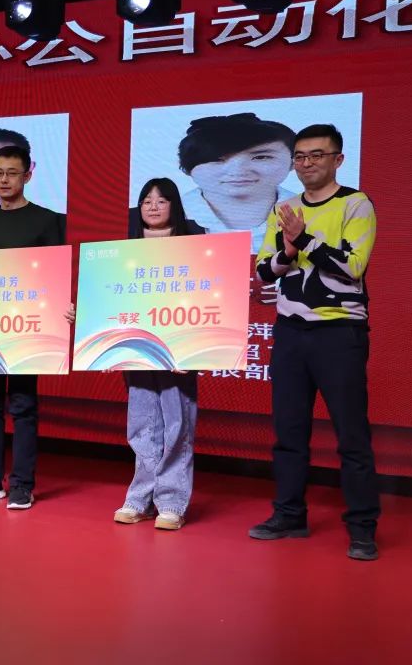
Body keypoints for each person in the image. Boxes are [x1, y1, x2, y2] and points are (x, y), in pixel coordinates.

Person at [249, 124, 381, 561]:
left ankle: (362, 528)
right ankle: (289, 515)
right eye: (300, 157)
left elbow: (353, 266)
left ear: (337, 159)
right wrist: (288, 250)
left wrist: (302, 239)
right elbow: (264, 271)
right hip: (290, 332)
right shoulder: (283, 208)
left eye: (316, 155)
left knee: (351, 436)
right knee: (288, 432)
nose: (307, 164)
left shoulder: (355, 204)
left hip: (339, 332)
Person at [69, 178, 205, 530]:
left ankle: (171, 502)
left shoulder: (196, 244)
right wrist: (89, 322)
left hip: (179, 353)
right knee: (142, 425)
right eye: (146, 200)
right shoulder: (124, 250)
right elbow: (109, 300)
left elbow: (208, 299)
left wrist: (192, 350)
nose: (153, 206)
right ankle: (140, 498)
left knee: (177, 425)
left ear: (175, 205)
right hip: (136, 351)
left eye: (162, 200)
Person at [0, 145, 65, 510]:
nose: (4, 180)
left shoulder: (47, 221)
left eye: (12, 173)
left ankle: (21, 484)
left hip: (28, 329)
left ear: (28, 175)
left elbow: (55, 275)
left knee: (22, 405)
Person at [136, 113, 295, 253]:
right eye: (216, 159)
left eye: (260, 157)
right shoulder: (139, 221)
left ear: (293, 161)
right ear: (186, 168)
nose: (238, 170)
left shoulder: (309, 211)